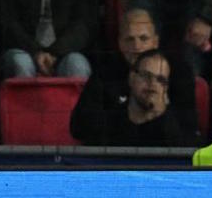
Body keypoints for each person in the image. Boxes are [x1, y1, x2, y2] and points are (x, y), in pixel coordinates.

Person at [70, 7, 198, 143]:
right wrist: (129, 113)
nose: (137, 46)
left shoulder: (179, 72)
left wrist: (162, 113)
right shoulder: (105, 73)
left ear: (155, 41)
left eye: (143, 38)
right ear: (120, 43)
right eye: (129, 39)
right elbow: (79, 128)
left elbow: (188, 132)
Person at [90, 49, 197, 147]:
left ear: (166, 88)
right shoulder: (108, 122)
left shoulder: (177, 127)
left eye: (161, 79)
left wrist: (160, 116)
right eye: (146, 75)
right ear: (131, 78)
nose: (152, 83)